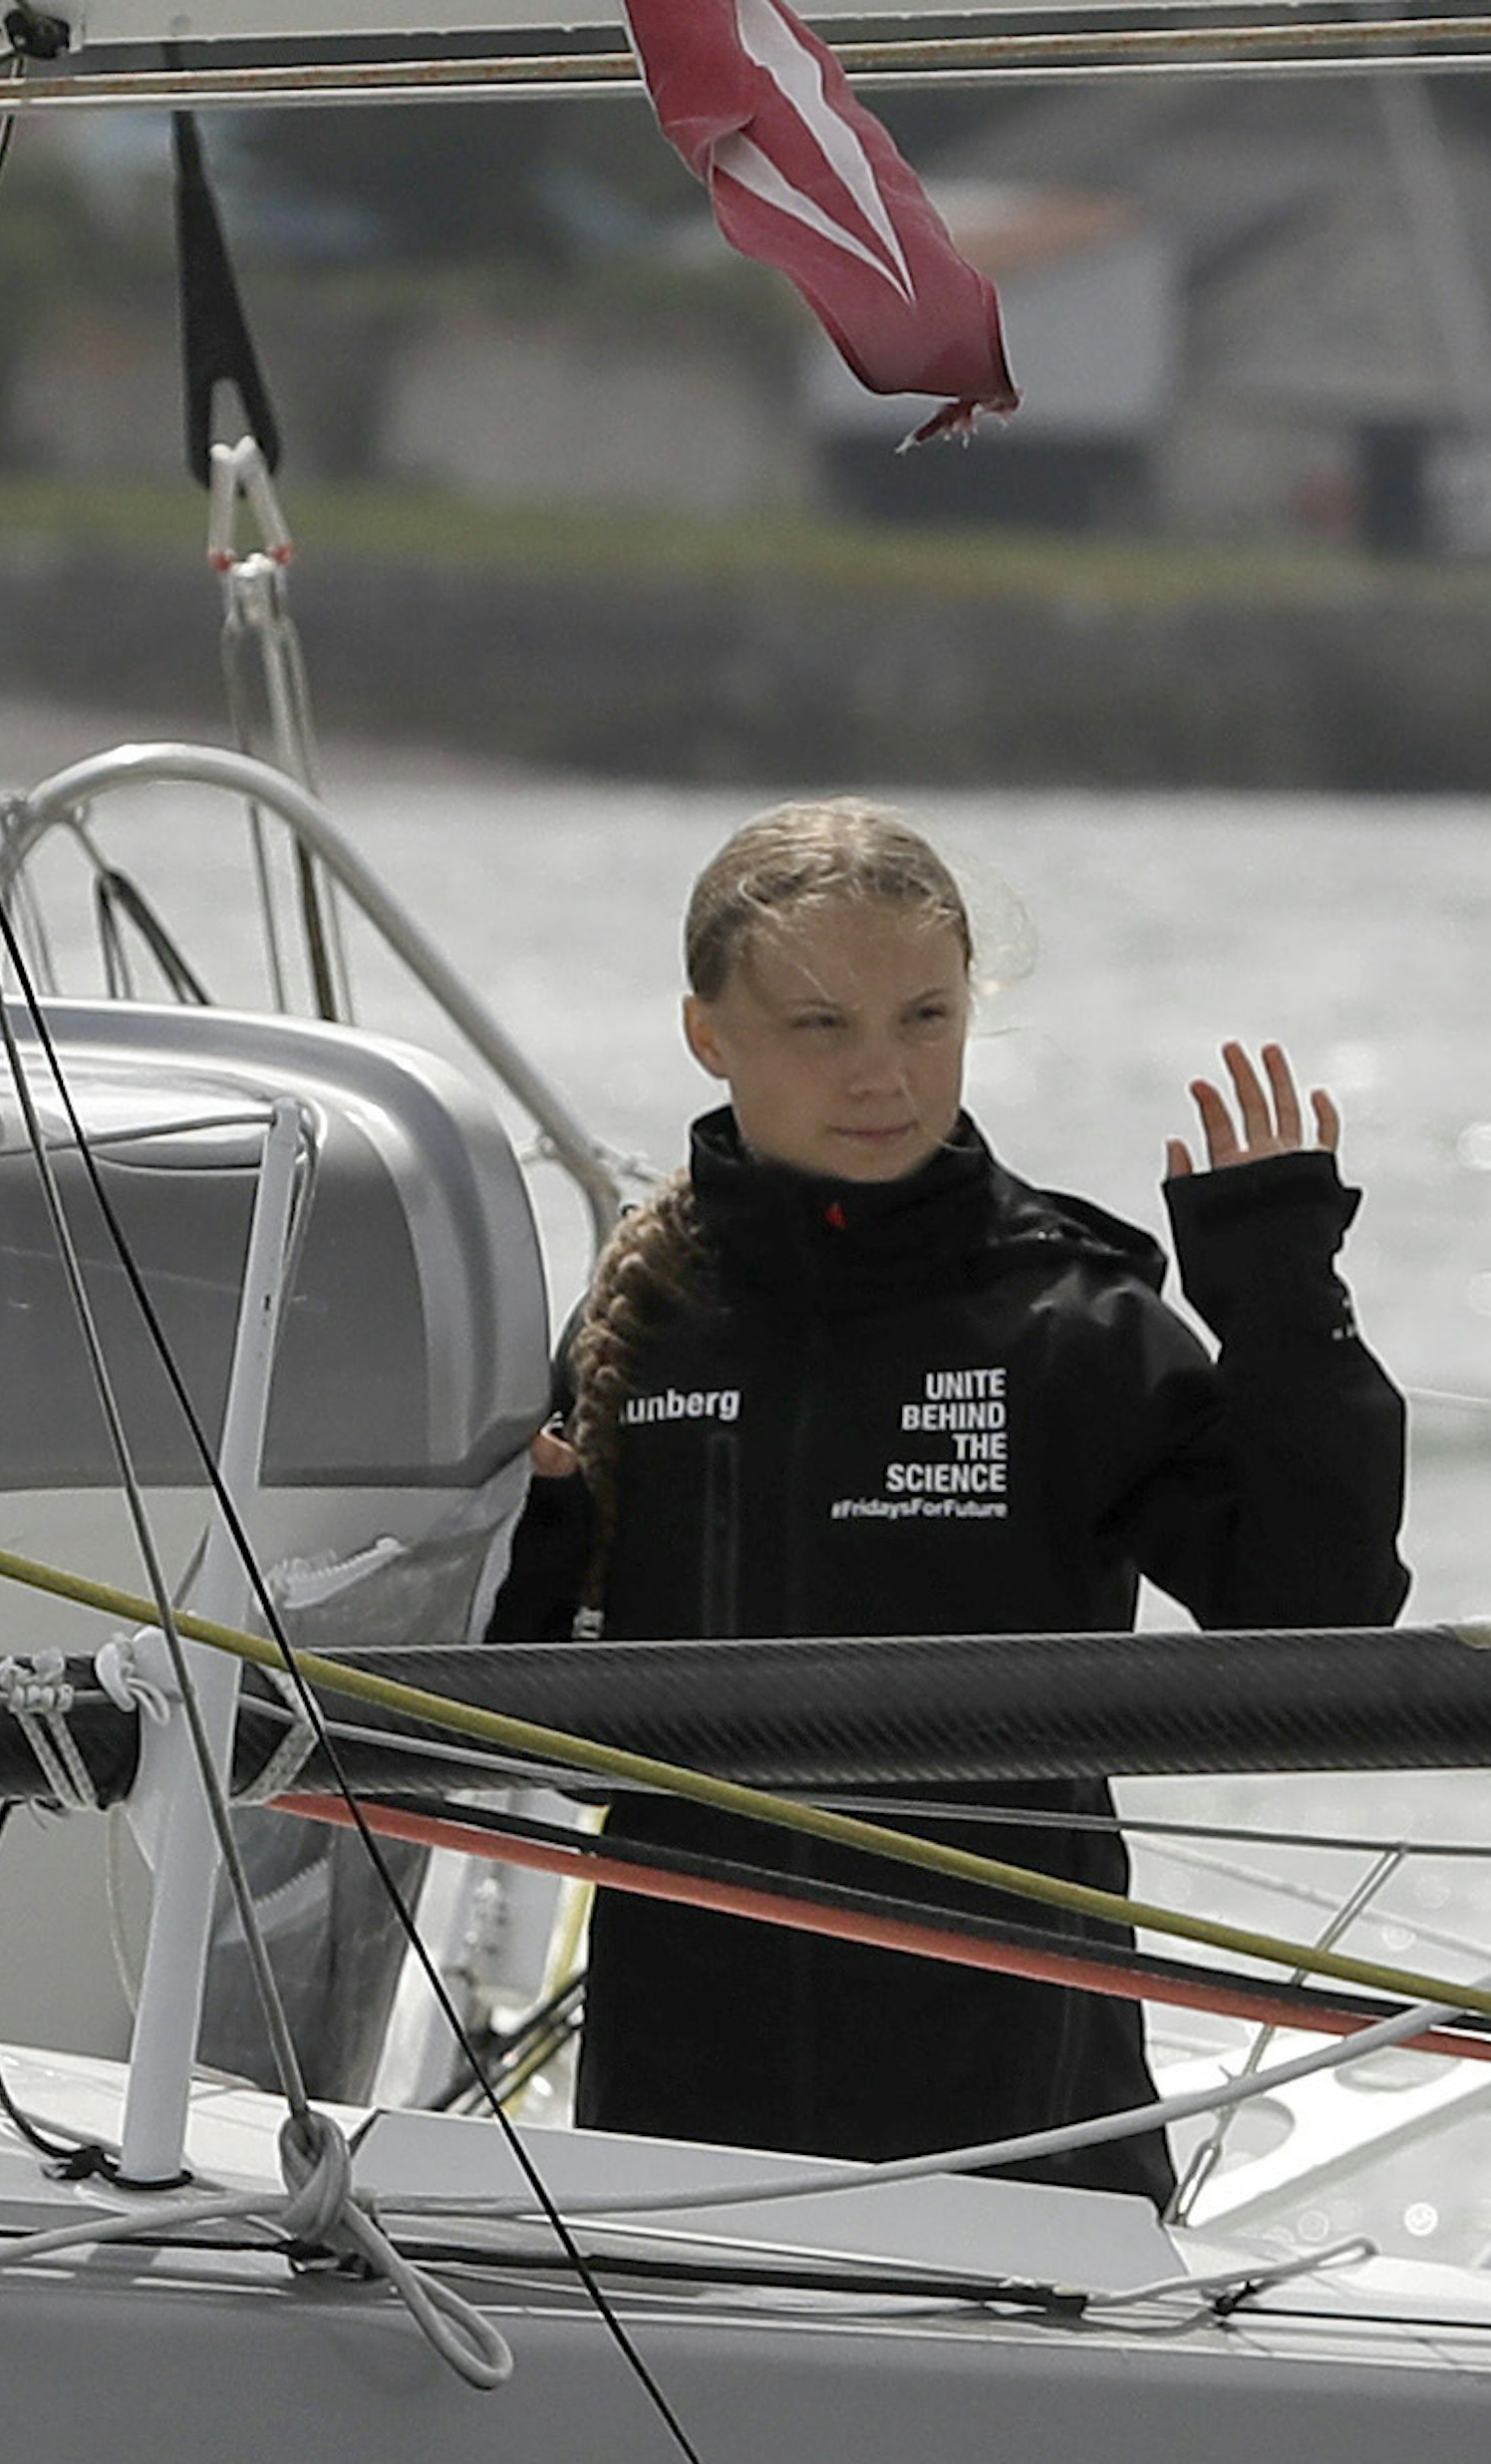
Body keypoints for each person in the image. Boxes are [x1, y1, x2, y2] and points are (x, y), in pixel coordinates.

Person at [487, 799, 1406, 2204]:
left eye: (924, 1015)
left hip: (1022, 2136)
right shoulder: (644, 1328)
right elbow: (559, 1745)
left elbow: (1318, 1613)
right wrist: (532, 1550)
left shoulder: (1070, 1322)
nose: (884, 1074)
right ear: (706, 1033)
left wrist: (1281, 1301)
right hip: (678, 2140)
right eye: (820, 1026)